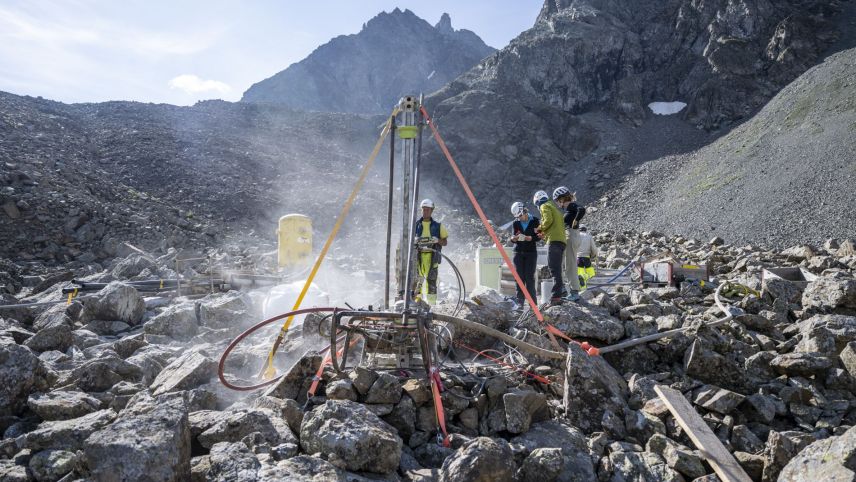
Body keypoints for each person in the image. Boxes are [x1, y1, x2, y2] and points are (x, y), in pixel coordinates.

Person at [553, 186, 585, 301]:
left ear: (562, 199)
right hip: (571, 236)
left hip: (571, 236)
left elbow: (581, 210)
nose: (557, 203)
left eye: (557, 200)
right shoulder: (568, 208)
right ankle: (570, 290)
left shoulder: (571, 205)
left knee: (570, 265)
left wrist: (575, 221)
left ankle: (574, 292)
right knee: (568, 264)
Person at [533, 190, 566, 305]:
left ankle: (556, 296)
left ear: (537, 202)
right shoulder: (555, 207)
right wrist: (544, 235)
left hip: (554, 241)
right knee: (558, 268)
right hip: (561, 241)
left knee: (553, 268)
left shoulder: (544, 206)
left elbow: (548, 220)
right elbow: (555, 225)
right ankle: (562, 290)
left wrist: (539, 228)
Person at [414, 198, 448, 305]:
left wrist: (438, 240)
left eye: (428, 209)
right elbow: (407, 242)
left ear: (432, 210)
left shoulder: (438, 226)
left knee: (431, 282)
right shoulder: (415, 225)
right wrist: (414, 241)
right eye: (424, 209)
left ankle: (431, 305)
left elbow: (445, 242)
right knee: (417, 283)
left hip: (432, 257)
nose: (425, 211)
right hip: (418, 257)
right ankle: (417, 303)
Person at [510, 201, 540, 307]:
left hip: (531, 253)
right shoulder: (516, 223)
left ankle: (533, 304)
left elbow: (540, 236)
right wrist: (513, 239)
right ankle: (520, 303)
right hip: (518, 253)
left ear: (524, 211)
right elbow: (513, 237)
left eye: (520, 215)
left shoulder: (535, 221)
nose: (520, 218)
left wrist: (530, 238)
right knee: (519, 278)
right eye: (517, 217)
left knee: (529, 278)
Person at [576, 224, 598, 290]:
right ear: (585, 229)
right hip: (586, 257)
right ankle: (584, 277)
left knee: (580, 274)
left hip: (578, 258)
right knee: (591, 274)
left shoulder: (576, 236)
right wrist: (594, 255)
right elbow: (594, 248)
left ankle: (583, 289)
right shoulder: (589, 236)